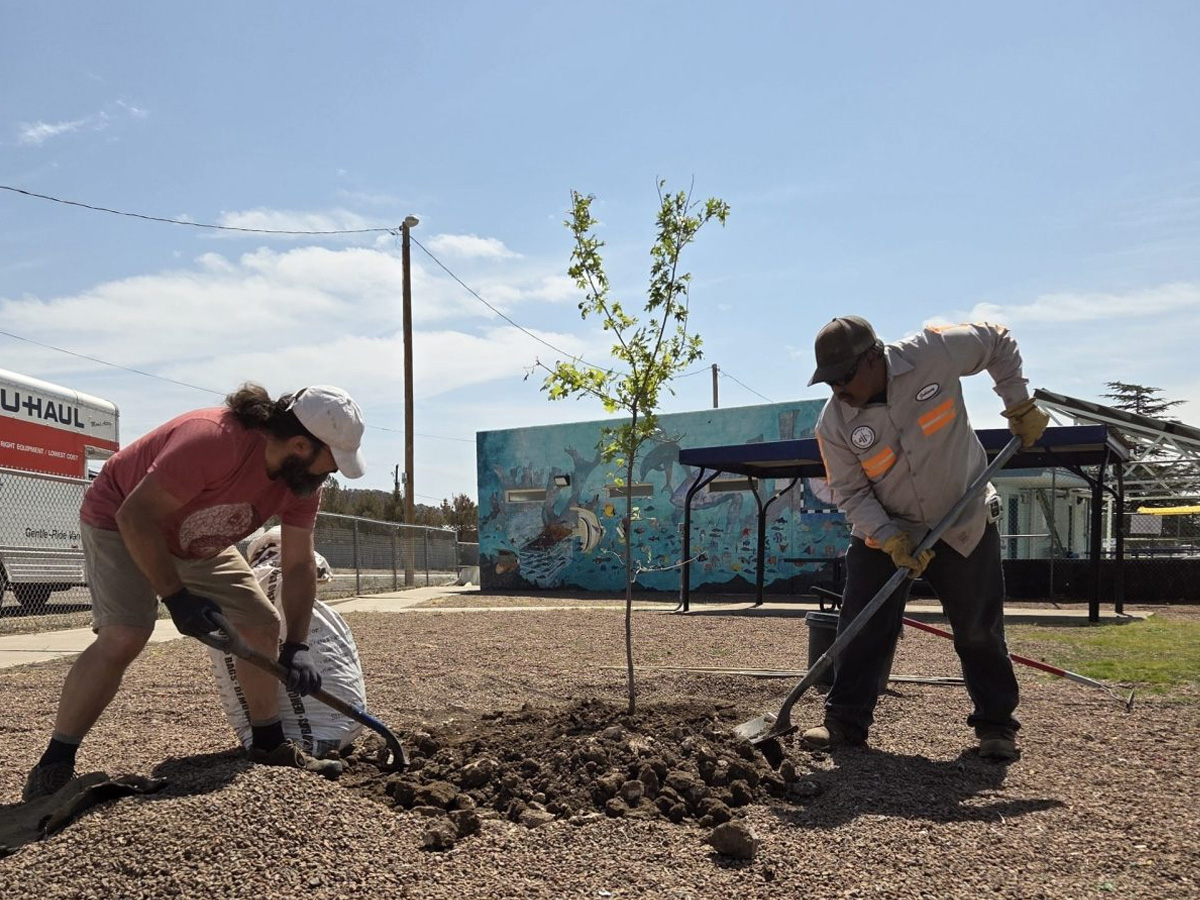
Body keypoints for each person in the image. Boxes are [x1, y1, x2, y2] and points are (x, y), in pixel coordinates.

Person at [22, 383, 368, 801]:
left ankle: (268, 744)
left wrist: (296, 645)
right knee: (126, 634)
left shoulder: (301, 485)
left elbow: (297, 565)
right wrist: (176, 597)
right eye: (329, 464)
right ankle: (54, 763)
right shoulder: (211, 441)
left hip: (196, 535)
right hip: (122, 522)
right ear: (299, 445)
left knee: (260, 623)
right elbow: (136, 515)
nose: (328, 475)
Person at [801, 316, 1049, 761]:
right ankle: (844, 723)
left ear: (873, 358)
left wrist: (1018, 405)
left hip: (962, 521)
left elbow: (996, 340)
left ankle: (996, 726)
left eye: (843, 378)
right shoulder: (834, 424)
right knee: (861, 628)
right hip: (885, 532)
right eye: (829, 381)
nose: (837, 390)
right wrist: (890, 538)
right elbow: (851, 492)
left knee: (978, 631)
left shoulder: (931, 352)